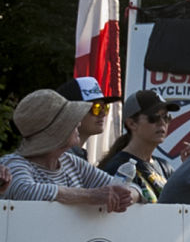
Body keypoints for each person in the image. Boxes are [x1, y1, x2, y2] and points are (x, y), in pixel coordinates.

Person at [1, 89, 140, 211]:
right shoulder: (14, 163)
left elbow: (130, 188)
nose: (78, 123)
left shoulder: (71, 162)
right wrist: (92, 196)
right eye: (70, 120)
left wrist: (126, 196)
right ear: (55, 131)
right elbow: (26, 192)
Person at [98, 89, 185, 203]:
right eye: (153, 117)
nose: (162, 123)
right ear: (132, 124)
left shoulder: (165, 167)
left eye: (166, 117)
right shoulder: (118, 167)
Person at [56, 75, 121, 160]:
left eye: (105, 107)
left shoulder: (76, 155)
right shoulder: (60, 159)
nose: (103, 114)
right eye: (96, 108)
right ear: (73, 111)